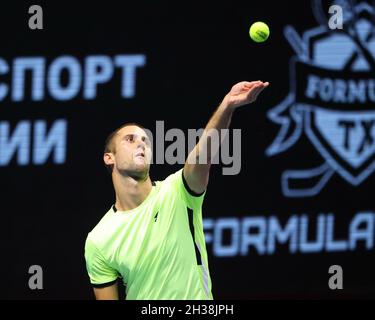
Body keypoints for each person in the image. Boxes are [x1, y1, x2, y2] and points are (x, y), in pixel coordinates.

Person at [84, 81, 269, 300]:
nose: (141, 144)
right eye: (130, 139)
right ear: (109, 158)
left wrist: (227, 106)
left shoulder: (178, 191)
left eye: (145, 140)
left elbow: (205, 152)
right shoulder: (99, 239)